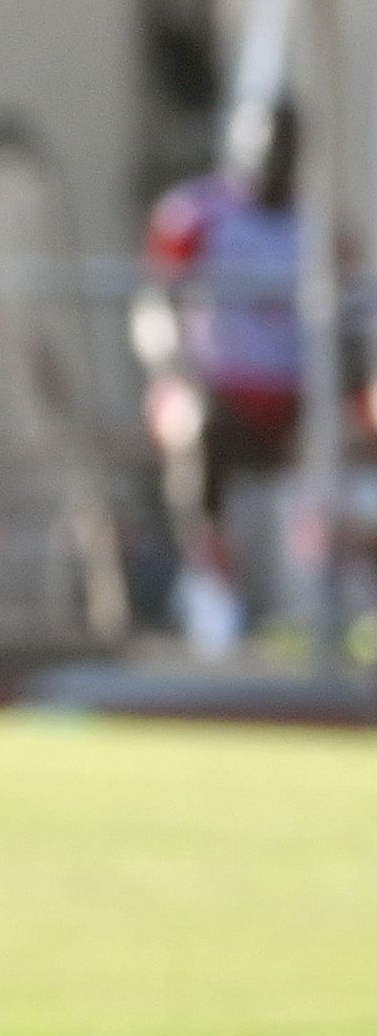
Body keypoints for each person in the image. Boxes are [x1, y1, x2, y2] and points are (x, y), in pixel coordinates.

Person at [132, 100, 365, 656]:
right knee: (193, 429)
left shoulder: (319, 228)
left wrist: (346, 393)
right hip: (215, 390)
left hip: (296, 398)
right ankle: (213, 587)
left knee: (352, 440)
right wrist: (178, 373)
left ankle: (328, 598)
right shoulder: (194, 214)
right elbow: (154, 307)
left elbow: (354, 328)